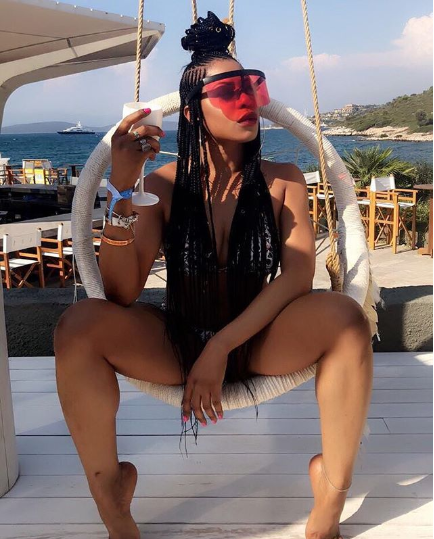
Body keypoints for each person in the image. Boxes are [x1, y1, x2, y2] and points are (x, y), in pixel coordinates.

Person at [53, 11, 373, 539]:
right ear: (192, 111)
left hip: (257, 339)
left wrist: (221, 346)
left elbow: (297, 278)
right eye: (228, 90)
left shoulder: (283, 180)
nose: (247, 100)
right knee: (78, 326)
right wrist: (123, 190)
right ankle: (112, 501)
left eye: (253, 86)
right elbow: (121, 292)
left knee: (346, 318)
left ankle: (330, 500)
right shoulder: (163, 185)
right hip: (178, 338)